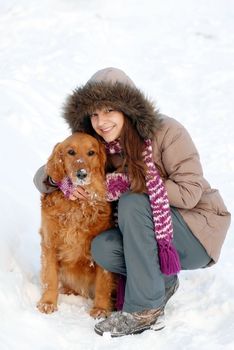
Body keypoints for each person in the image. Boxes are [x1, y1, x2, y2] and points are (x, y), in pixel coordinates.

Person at [34, 67, 231, 337]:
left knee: (132, 202)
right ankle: (162, 281)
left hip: (196, 231)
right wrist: (63, 182)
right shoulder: (102, 146)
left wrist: (134, 182)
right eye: (94, 114)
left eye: (109, 110)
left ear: (127, 108)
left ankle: (144, 310)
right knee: (102, 247)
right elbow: (46, 171)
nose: (101, 121)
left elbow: (189, 192)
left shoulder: (168, 131)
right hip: (153, 234)